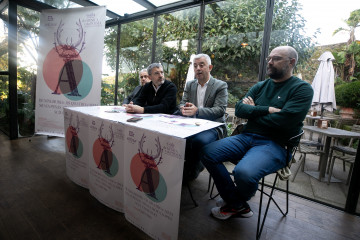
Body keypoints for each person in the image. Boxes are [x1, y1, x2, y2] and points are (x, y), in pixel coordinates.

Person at [201, 46, 313, 220]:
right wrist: (267, 109)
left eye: (276, 58)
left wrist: (253, 113)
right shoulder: (261, 86)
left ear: (291, 62)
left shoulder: (302, 89)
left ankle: (234, 202)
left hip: (276, 144)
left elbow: (284, 122)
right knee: (207, 152)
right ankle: (237, 203)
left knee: (243, 172)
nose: (269, 61)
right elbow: (239, 109)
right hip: (247, 137)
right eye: (269, 58)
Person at [179, 53, 228, 181]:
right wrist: (184, 108)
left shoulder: (220, 85)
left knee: (198, 141)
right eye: (195, 66)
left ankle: (194, 167)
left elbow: (220, 110)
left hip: (212, 126)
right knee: (177, 136)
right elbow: (181, 104)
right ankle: (180, 167)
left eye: (202, 65)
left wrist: (197, 111)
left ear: (210, 67)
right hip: (192, 124)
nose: (198, 68)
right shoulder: (190, 85)